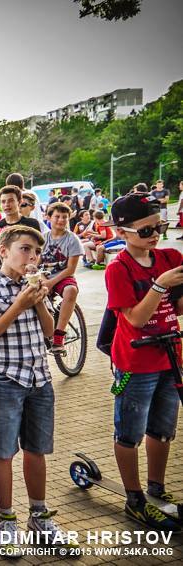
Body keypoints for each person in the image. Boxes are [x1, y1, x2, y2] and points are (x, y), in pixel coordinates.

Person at [0, 225, 69, 553]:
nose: (32, 257)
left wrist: (38, 299)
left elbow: (50, 330)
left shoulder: (35, 285)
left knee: (36, 449)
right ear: (3, 251)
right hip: (5, 380)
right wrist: (19, 303)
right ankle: (6, 520)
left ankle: (39, 516)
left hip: (40, 377)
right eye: (25, 249)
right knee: (3, 452)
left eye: (37, 252)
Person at [101, 192, 183, 531]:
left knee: (163, 431)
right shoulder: (118, 268)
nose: (154, 236)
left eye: (158, 227)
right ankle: (134, 500)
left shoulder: (169, 257)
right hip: (135, 360)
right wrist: (161, 286)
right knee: (129, 433)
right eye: (145, 231)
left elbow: (176, 310)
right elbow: (134, 318)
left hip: (170, 356)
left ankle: (156, 489)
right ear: (122, 232)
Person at [39, 203, 83, 354]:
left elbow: (71, 269)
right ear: (49, 218)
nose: (61, 220)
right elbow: (36, 261)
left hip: (63, 276)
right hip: (44, 275)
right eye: (57, 216)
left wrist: (51, 282)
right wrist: (42, 277)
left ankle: (59, 335)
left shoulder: (72, 239)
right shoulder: (42, 238)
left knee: (71, 291)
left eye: (64, 217)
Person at [0, 185, 41, 267]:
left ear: (19, 202)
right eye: (3, 201)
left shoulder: (32, 224)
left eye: (11, 201)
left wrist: (34, 269)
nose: (7, 205)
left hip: (27, 271)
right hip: (4, 273)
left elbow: (38, 251)